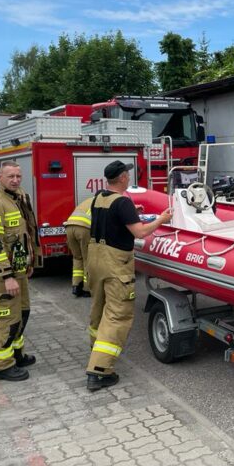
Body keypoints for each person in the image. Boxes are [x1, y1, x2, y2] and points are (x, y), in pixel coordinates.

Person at [86, 160, 171, 391]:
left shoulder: (99, 197)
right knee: (118, 315)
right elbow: (140, 232)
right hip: (115, 263)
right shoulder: (123, 201)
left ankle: (96, 349)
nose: (130, 178)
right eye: (128, 175)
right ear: (123, 177)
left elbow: (109, 221)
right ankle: (99, 371)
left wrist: (133, 214)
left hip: (95, 259)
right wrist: (162, 219)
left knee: (99, 309)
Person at [0, 160, 40, 381]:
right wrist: (7, 276)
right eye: (10, 176)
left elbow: (25, 234)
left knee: (21, 314)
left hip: (19, 271)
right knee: (5, 320)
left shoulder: (18, 197)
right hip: (3, 276)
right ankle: (1, 366)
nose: (15, 180)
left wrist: (29, 263)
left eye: (18, 176)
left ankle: (16, 354)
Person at [64, 197, 93, 297]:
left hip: (69, 227)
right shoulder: (102, 202)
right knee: (87, 259)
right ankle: (87, 289)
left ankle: (76, 285)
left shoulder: (87, 200)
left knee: (77, 257)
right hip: (84, 228)